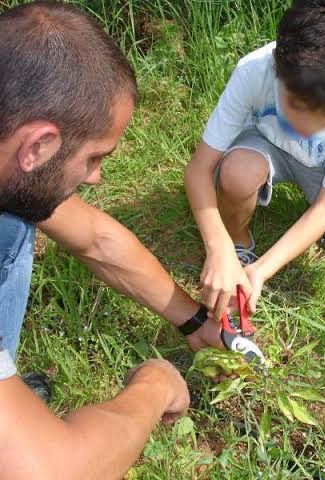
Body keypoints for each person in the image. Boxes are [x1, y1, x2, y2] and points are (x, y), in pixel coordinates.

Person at [0, 3, 220, 478]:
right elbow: (57, 473)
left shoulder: (11, 158)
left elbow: (96, 237)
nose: (97, 178)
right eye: (95, 157)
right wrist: (155, 385)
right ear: (37, 146)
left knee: (16, 217)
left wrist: (194, 320)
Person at [185, 0, 325, 316]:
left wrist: (262, 271)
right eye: (295, 103)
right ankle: (237, 242)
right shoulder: (253, 71)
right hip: (263, 143)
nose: (305, 124)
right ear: (276, 65)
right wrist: (219, 247)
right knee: (236, 174)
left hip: (321, 165)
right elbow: (198, 170)